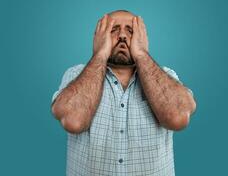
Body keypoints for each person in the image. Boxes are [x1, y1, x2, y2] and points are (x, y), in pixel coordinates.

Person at [51, 10, 197, 176]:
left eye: (130, 30)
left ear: (142, 37)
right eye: (113, 30)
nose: (122, 36)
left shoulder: (165, 75)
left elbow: (178, 118)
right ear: (99, 36)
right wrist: (100, 54)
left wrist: (141, 54)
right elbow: (73, 121)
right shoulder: (76, 75)